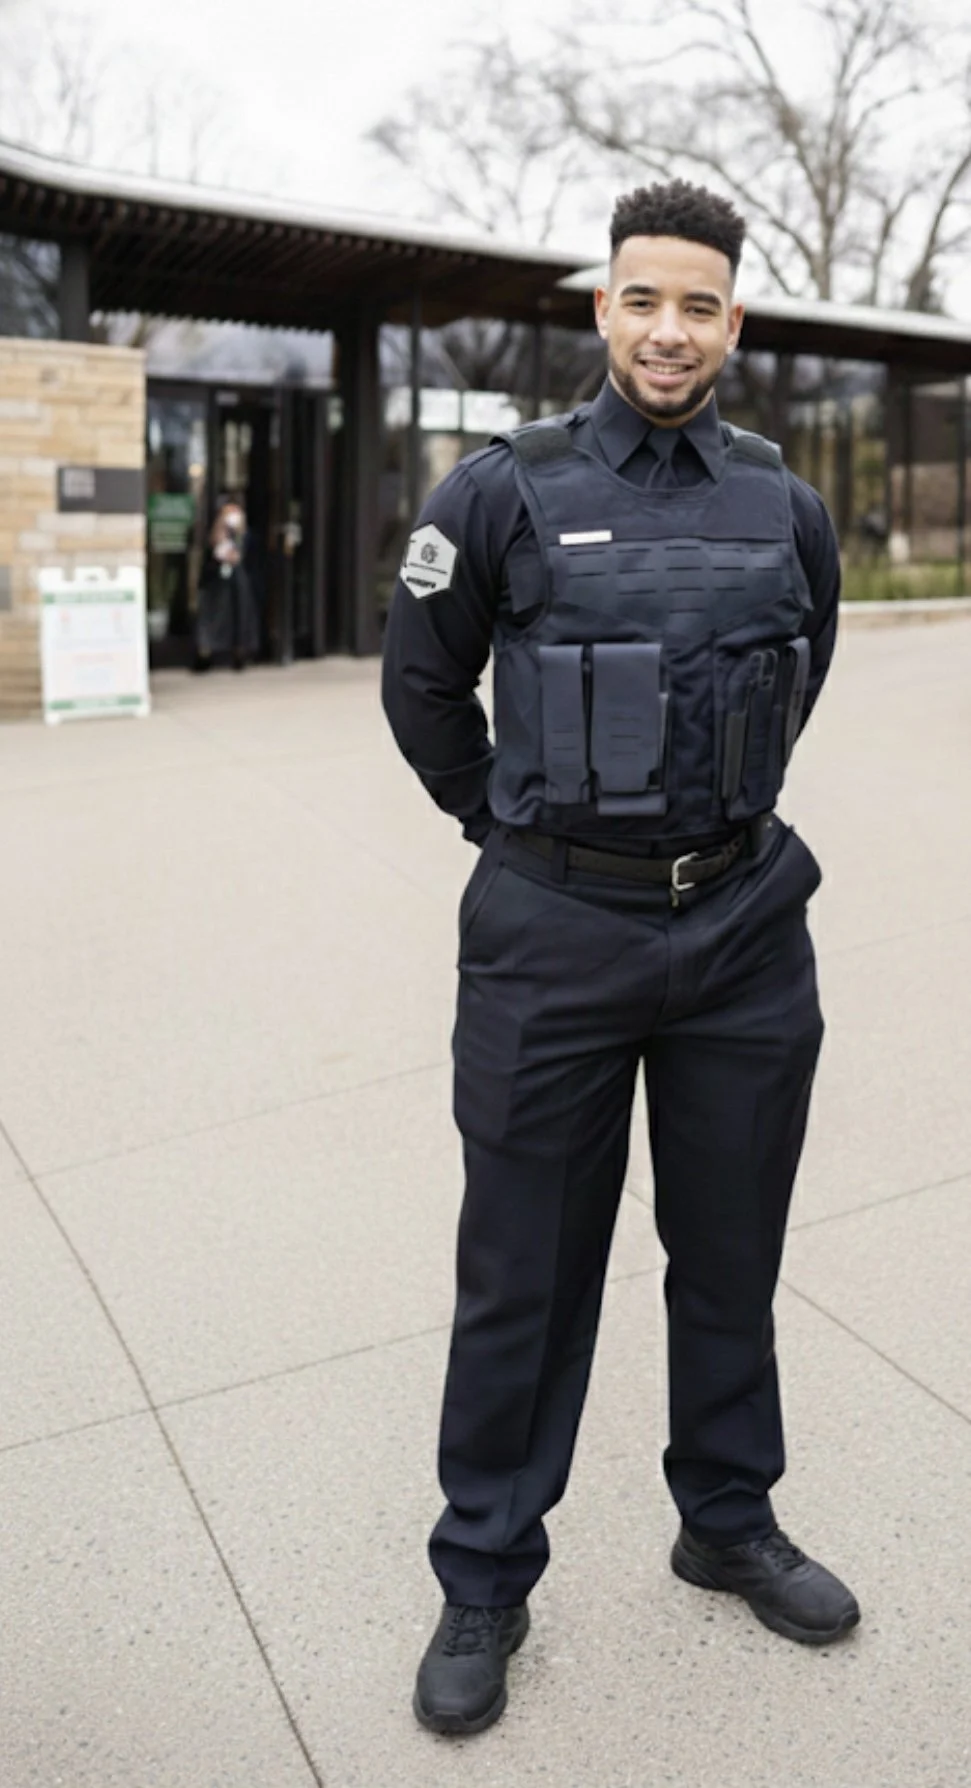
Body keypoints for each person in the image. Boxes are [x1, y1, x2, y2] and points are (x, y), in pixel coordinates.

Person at [381, 179, 858, 1739]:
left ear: (734, 320)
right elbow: (422, 690)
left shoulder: (781, 499)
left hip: (737, 932)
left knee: (728, 1254)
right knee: (523, 1272)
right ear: (601, 307)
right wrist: (516, 830)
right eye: (641, 298)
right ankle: (484, 1574)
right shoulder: (497, 492)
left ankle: (723, 1520)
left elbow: (803, 667)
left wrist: (703, 831)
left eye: (700, 304)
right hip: (551, 937)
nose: (669, 328)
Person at [194, 494, 260, 671]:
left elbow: (249, 553)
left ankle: (239, 653)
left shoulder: (243, 533)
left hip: (237, 582)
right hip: (217, 582)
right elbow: (210, 549)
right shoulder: (215, 530)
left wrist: (239, 536)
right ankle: (206, 653)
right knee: (214, 618)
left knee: (239, 616)